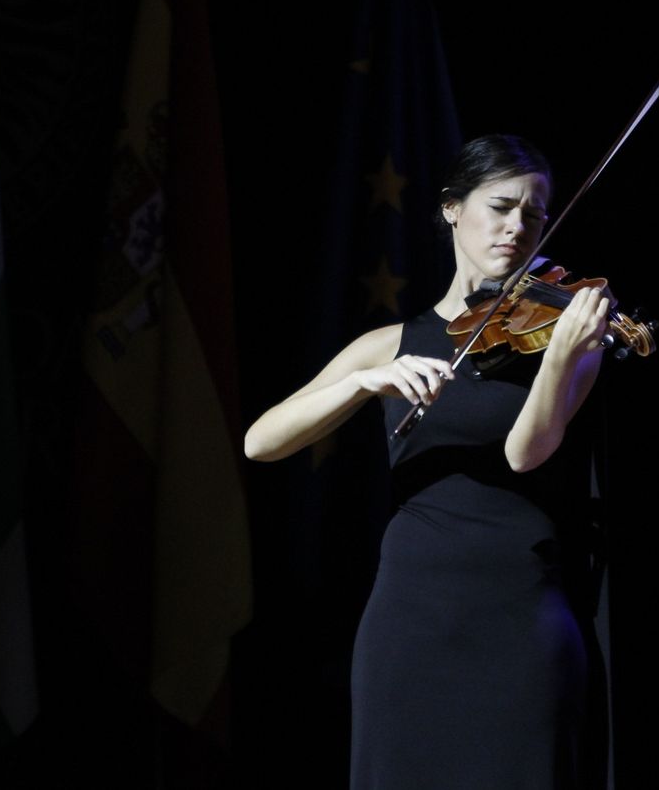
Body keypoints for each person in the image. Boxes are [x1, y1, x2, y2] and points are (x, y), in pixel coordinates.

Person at [245, 134, 612, 789]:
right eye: (500, 206)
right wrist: (362, 383)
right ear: (450, 208)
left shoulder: (568, 334)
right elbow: (260, 440)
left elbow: (527, 451)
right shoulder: (391, 343)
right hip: (411, 618)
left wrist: (558, 360)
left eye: (534, 213)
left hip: (522, 617)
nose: (517, 226)